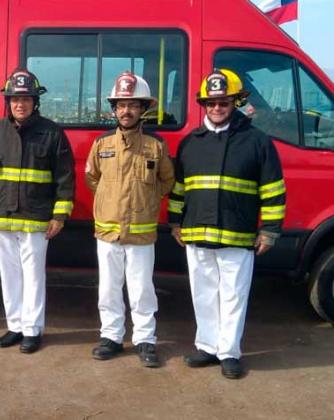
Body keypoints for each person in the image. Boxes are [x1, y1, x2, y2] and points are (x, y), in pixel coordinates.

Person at [168, 69, 286, 379]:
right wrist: (175, 222)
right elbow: (179, 188)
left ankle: (229, 352)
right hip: (196, 232)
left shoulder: (257, 142)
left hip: (238, 233)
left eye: (223, 102)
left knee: (233, 295)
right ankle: (207, 346)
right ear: (203, 105)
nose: (217, 108)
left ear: (236, 102)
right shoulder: (190, 142)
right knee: (203, 293)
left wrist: (270, 230)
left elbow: (273, 190)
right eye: (211, 103)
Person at [0, 69, 74, 353]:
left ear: (35, 101)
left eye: (26, 99)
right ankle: (15, 326)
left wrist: (59, 215)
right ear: (8, 102)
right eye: (15, 99)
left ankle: (32, 329)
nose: (21, 104)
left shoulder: (52, 133)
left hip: (36, 217)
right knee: (9, 275)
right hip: (0, 216)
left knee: (33, 276)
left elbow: (65, 177)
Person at [85, 72, 175, 367]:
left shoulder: (155, 146)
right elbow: (93, 179)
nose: (126, 111)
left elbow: (166, 182)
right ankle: (111, 336)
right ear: (114, 109)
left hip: (141, 233)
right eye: (121, 105)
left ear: (142, 109)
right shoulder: (101, 145)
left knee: (141, 289)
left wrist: (144, 202)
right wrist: (111, 202)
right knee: (108, 289)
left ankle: (145, 339)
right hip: (108, 233)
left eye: (133, 105)